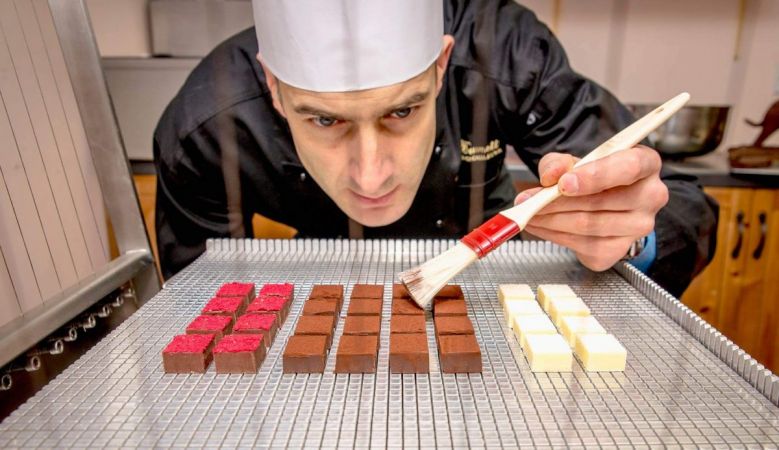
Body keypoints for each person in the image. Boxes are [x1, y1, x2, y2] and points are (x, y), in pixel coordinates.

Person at [154, 0, 718, 297]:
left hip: (496, 281)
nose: (371, 177)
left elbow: (690, 209)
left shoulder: (506, 52)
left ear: (443, 65)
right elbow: (204, 306)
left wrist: (629, 235)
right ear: (273, 88)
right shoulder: (205, 128)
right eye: (324, 119)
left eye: (402, 110)